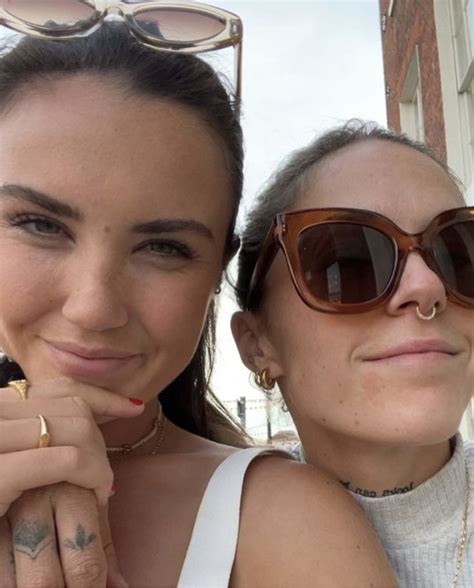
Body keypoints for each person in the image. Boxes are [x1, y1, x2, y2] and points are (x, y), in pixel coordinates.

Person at [0, 14, 396, 588]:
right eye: (39, 223)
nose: (92, 307)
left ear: (217, 271)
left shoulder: (279, 521)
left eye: (163, 246)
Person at [233, 120, 474, 587]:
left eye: (458, 255)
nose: (427, 289)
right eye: (350, 264)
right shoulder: (194, 543)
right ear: (258, 343)